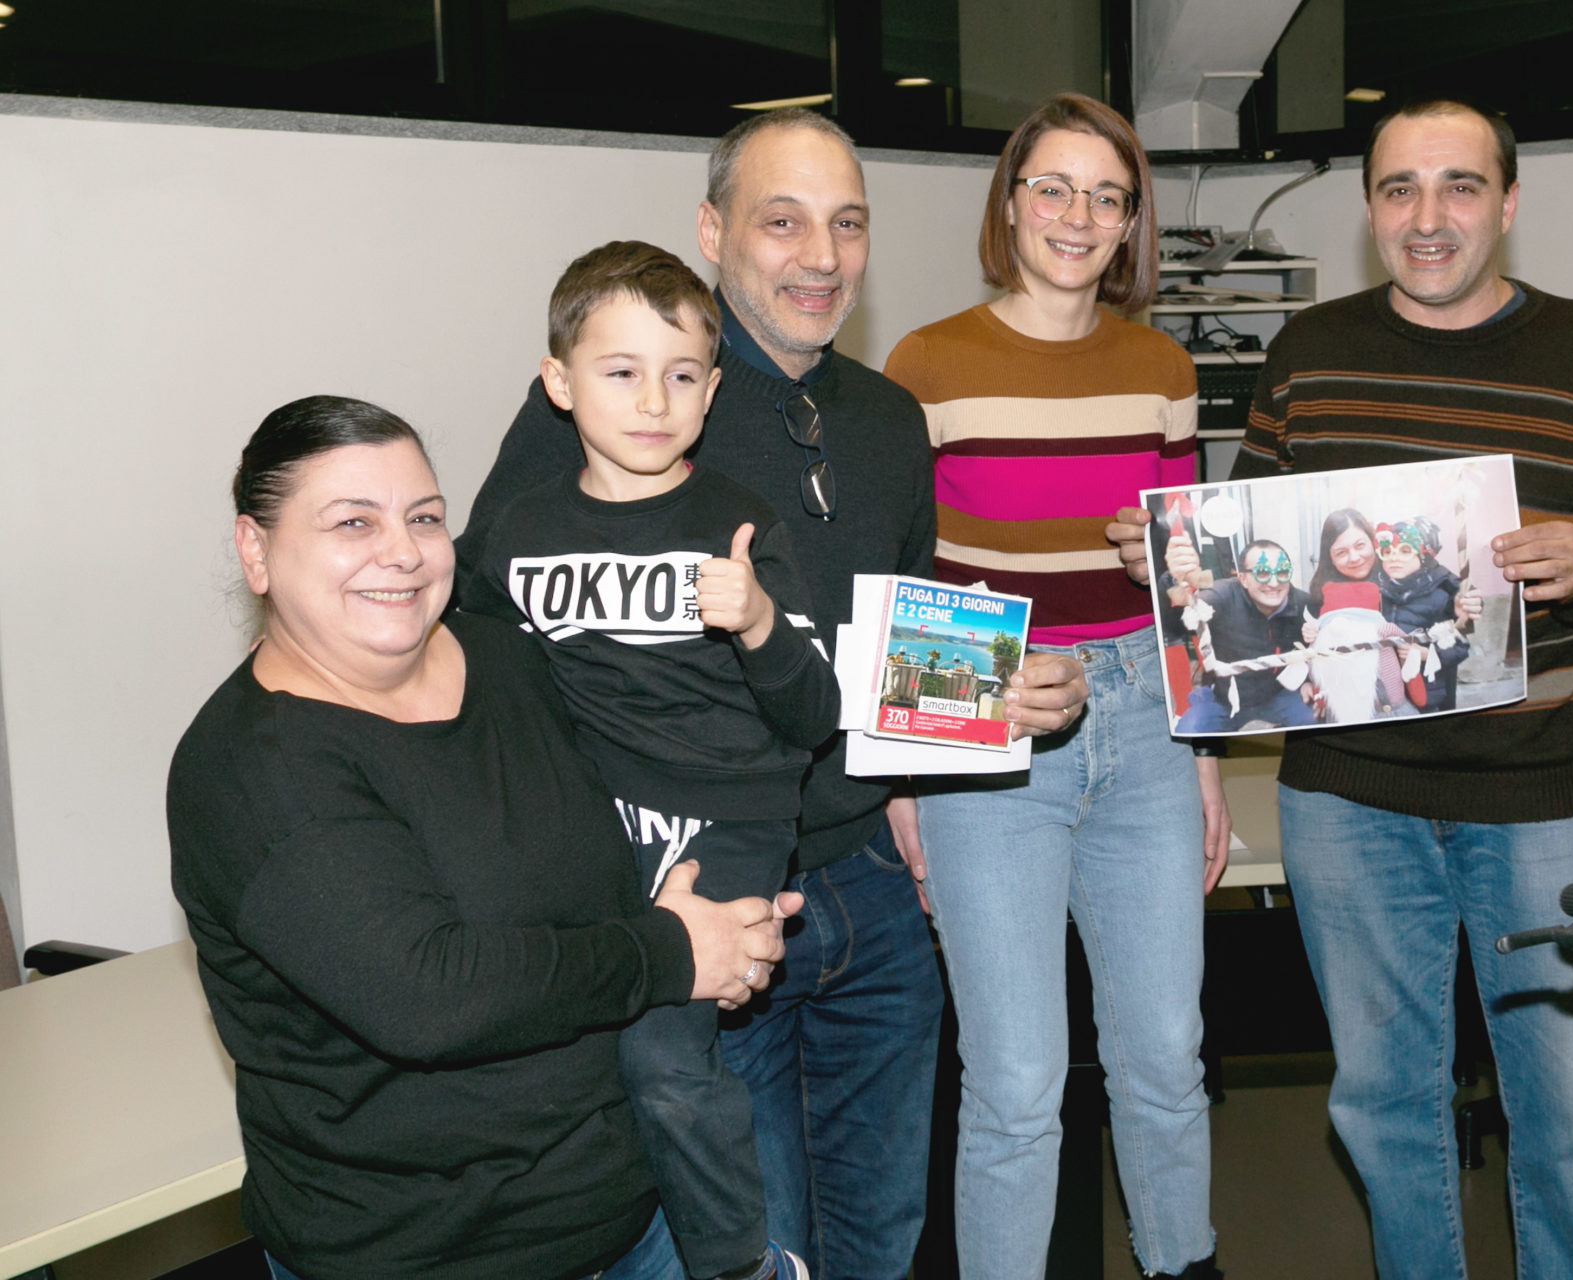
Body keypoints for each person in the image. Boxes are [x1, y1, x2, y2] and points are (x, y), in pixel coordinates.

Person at [454, 109, 1090, 1278]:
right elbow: (494, 640)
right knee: (759, 1242)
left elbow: (869, 646)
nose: (822, 256)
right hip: (701, 893)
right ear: (712, 231)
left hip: (872, 889)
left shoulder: (889, 419)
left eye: (848, 223)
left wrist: (990, 693)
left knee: (881, 1234)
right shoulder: (615, 405)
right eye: (782, 221)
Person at [1116, 97, 1573, 1278]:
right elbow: (1258, 557)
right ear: (1370, 208)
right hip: (1350, 802)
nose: (1427, 217)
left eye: (1459, 186)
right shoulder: (1308, 352)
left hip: (1547, 797)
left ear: (1509, 201)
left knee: (1568, 1122)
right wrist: (1186, 568)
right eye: (1399, 189)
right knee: (1384, 1108)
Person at [169, 396, 799, 1280]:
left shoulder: (507, 659)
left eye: (425, 518)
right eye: (354, 522)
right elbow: (430, 996)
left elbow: (618, 853)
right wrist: (671, 953)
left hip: (637, 1217)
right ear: (255, 549)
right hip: (425, 1253)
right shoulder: (251, 770)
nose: (402, 551)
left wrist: (723, 923)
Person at [882, 92, 1225, 1280]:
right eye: (1054, 188)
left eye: (1108, 196)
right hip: (989, 715)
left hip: (1147, 719)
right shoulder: (927, 362)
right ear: (1012, 202)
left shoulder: (1164, 368)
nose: (1079, 215)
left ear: (1131, 223)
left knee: (1166, 1057)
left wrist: (1205, 753)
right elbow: (905, 575)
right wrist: (909, 775)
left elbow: (1191, 583)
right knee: (1018, 1080)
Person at [464, 243, 836, 1280]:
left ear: (712, 392)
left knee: (664, 1053)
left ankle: (742, 1264)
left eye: (680, 375)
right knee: (565, 1044)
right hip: (593, 823)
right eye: (621, 371)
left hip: (728, 815)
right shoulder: (519, 532)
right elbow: (478, 685)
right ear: (559, 383)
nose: (652, 401)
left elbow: (816, 714)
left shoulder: (737, 524)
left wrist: (759, 622)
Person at [1163, 536, 1315, 732]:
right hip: (1224, 698)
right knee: (1190, 729)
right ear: (1243, 579)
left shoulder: (1304, 604)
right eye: (1262, 573)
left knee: (1315, 719)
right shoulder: (1222, 595)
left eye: (1282, 572)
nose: (1274, 582)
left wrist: (1308, 681)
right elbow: (1177, 621)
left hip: (1278, 694)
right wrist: (1174, 581)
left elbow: (1322, 652)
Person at [1375, 516, 1471, 712]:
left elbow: (1460, 647)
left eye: (1405, 551)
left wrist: (1427, 654)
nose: (1394, 557)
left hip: (1426, 695)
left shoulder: (1441, 596)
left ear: (1424, 556)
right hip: (1386, 694)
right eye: (1387, 552)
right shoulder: (1376, 592)